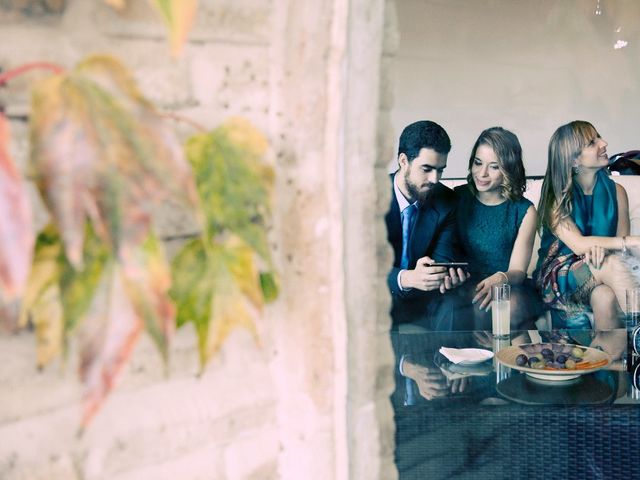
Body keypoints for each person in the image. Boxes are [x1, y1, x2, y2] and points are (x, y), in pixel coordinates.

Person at [534, 120, 640, 335]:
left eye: (599, 137)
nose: (604, 143)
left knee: (605, 297)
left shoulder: (617, 192)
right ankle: (638, 333)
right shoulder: (556, 194)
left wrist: (612, 246)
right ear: (573, 159)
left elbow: (622, 251)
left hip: (601, 266)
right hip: (560, 276)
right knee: (610, 263)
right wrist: (628, 242)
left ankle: (611, 362)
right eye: (592, 142)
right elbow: (580, 244)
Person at [454, 127, 541, 330]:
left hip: (507, 286)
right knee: (477, 303)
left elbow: (518, 271)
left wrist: (501, 278)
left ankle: (516, 359)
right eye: (478, 163)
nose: (482, 173)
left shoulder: (524, 211)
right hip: (465, 286)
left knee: (511, 304)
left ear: (509, 169)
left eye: (494, 167)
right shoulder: (456, 198)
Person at [385, 120, 469, 329]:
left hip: (425, 298)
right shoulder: (369, 196)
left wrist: (442, 275)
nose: (435, 179)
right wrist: (406, 278)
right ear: (403, 161)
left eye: (440, 170)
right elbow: (361, 265)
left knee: (454, 302)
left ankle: (446, 362)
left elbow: (443, 257)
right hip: (382, 291)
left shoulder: (447, 201)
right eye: (427, 169)